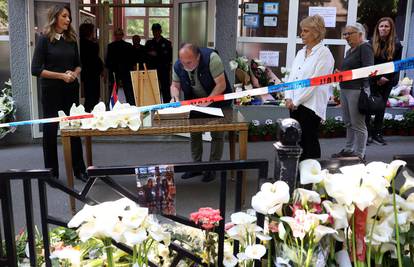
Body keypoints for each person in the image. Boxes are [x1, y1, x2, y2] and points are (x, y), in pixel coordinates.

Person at [31, 4, 87, 181]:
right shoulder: (44, 40)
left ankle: (79, 169)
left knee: (74, 128)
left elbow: (78, 64)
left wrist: (73, 73)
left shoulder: (71, 39)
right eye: (64, 16)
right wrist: (61, 76)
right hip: (51, 92)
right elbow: (36, 69)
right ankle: (51, 173)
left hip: (70, 90)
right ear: (55, 17)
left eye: (69, 17)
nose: (68, 20)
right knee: (50, 130)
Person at [170, 43, 232, 182]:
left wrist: (207, 102)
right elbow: (175, 85)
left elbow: (221, 84)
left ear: (198, 57)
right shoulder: (178, 65)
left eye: (189, 62)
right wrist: (175, 96)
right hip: (195, 101)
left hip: (218, 100)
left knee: (217, 133)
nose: (185, 65)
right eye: (183, 61)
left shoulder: (212, 59)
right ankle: (196, 165)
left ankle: (212, 167)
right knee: (195, 131)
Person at [284, 15, 335, 161]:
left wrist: (297, 101)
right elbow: (291, 77)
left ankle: (311, 176)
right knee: (296, 140)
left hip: (311, 105)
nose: (302, 34)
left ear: (316, 33)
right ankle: (297, 173)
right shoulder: (300, 53)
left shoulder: (324, 54)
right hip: (294, 103)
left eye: (305, 31)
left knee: (308, 140)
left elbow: (314, 82)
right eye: (302, 30)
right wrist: (288, 97)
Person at [332, 23, 374, 161]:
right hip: (345, 88)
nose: (346, 37)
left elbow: (368, 70)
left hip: (357, 89)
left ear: (360, 34)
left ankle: (360, 154)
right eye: (345, 34)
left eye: (349, 34)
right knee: (348, 122)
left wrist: (345, 74)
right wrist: (341, 74)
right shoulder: (349, 51)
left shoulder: (365, 47)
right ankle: (349, 149)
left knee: (358, 123)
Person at [366, 17, 402, 145]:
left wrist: (386, 78)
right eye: (381, 26)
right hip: (372, 80)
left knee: (381, 108)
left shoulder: (397, 45)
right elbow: (369, 64)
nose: (384, 28)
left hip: (387, 80)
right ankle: (368, 134)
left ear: (391, 29)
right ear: (378, 28)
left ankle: (377, 134)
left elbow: (396, 65)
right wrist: (377, 78)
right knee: (369, 106)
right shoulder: (370, 43)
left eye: (387, 26)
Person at [106, 28, 135, 105]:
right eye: (116, 34)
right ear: (114, 35)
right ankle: (111, 106)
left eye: (120, 34)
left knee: (128, 91)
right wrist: (108, 71)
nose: (118, 36)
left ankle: (131, 106)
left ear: (122, 35)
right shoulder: (110, 46)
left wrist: (131, 71)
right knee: (113, 91)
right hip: (114, 71)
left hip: (126, 72)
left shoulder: (128, 46)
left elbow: (131, 60)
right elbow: (108, 60)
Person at [145, 23, 172, 103]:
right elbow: (146, 55)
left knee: (165, 88)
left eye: (157, 30)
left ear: (160, 31)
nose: (155, 32)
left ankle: (167, 105)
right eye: (154, 31)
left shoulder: (167, 43)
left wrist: (157, 54)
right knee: (153, 88)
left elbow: (169, 57)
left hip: (163, 69)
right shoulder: (149, 43)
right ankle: (154, 105)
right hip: (152, 69)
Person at [79, 22, 103, 112]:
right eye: (93, 31)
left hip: (85, 73)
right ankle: (90, 113)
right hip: (92, 73)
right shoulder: (92, 45)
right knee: (93, 96)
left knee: (88, 95)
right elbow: (95, 58)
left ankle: (88, 112)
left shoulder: (79, 43)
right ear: (89, 32)